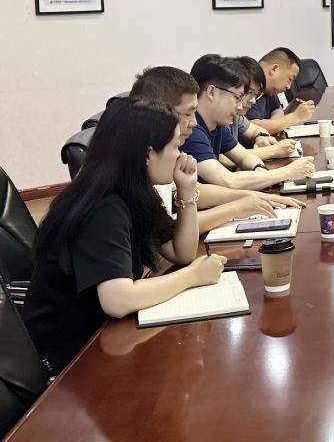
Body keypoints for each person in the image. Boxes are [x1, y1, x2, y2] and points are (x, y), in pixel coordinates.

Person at [23, 98, 227, 373]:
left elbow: (181, 252)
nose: (180, 155)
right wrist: (193, 276)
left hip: (103, 336)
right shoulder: (103, 207)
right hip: (68, 359)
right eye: (175, 146)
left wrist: (187, 192)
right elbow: (118, 300)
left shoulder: (136, 190)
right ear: (148, 154)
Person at [129, 66, 304, 230]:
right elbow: (164, 230)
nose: (193, 122)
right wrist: (235, 208)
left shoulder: (186, 138)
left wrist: (253, 197)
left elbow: (195, 191)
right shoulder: (140, 165)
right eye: (188, 113)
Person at [181, 54, 315, 190]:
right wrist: (287, 172)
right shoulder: (191, 130)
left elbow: (245, 157)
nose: (240, 106)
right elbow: (228, 181)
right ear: (211, 92)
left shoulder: (217, 124)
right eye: (237, 97)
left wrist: (260, 171)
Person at [229, 55, 297, 160]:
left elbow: (255, 130)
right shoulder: (213, 120)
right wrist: (272, 151)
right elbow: (221, 158)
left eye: (256, 95)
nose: (253, 101)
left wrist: (262, 137)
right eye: (249, 93)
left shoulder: (236, 116)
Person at [244, 47, 316, 135]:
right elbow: (251, 127)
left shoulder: (269, 88)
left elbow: (277, 109)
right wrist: (296, 116)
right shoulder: (248, 85)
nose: (289, 87)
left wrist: (276, 125)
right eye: (290, 79)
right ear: (274, 69)